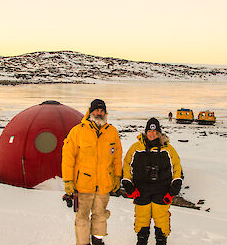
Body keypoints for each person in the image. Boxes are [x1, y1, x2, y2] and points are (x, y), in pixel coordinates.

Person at [62, 99, 122, 245]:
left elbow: (117, 157)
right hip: (83, 184)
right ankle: (83, 243)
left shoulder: (112, 132)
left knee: (100, 215)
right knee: (82, 217)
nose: (99, 113)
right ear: (90, 112)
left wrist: (117, 176)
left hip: (103, 184)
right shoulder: (78, 131)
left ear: (105, 113)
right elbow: (68, 157)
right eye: (96, 110)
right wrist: (68, 180)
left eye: (102, 110)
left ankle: (97, 240)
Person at [122, 117, 182, 245]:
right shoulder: (136, 148)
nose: (152, 134)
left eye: (155, 132)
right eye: (149, 131)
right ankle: (141, 240)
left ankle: (161, 240)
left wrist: (175, 185)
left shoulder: (168, 149)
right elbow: (127, 164)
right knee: (142, 219)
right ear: (146, 132)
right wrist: (128, 183)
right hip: (141, 190)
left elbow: (176, 166)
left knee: (161, 219)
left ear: (159, 133)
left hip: (162, 190)